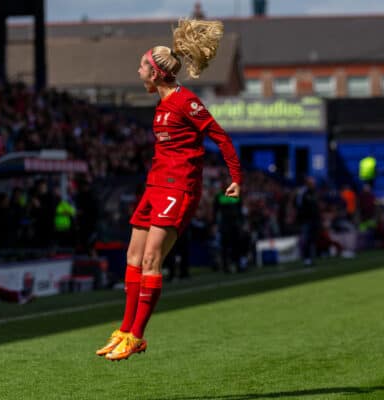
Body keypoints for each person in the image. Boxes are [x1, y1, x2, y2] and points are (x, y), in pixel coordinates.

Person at [95, 19, 242, 361]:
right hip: (154, 185)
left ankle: (137, 336)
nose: (138, 71)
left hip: (178, 188)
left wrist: (236, 176)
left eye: (142, 66)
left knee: (150, 259)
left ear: (157, 73)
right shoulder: (162, 106)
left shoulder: (185, 102)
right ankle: (124, 329)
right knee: (132, 257)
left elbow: (221, 135)